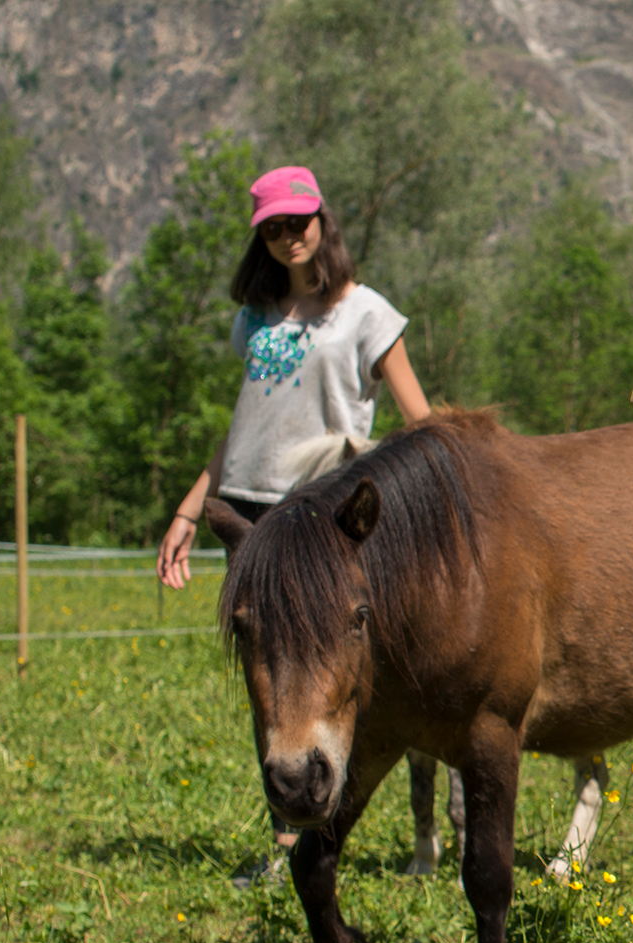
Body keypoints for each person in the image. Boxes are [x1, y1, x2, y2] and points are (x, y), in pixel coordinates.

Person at [154, 165, 431, 889]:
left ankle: (344, 832)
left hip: (321, 521)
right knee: (272, 683)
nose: (287, 238)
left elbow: (422, 427)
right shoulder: (254, 318)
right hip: (250, 518)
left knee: (337, 675)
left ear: (322, 220)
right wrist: (190, 511)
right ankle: (290, 842)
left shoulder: (367, 313)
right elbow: (243, 430)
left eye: (297, 222)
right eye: (272, 227)